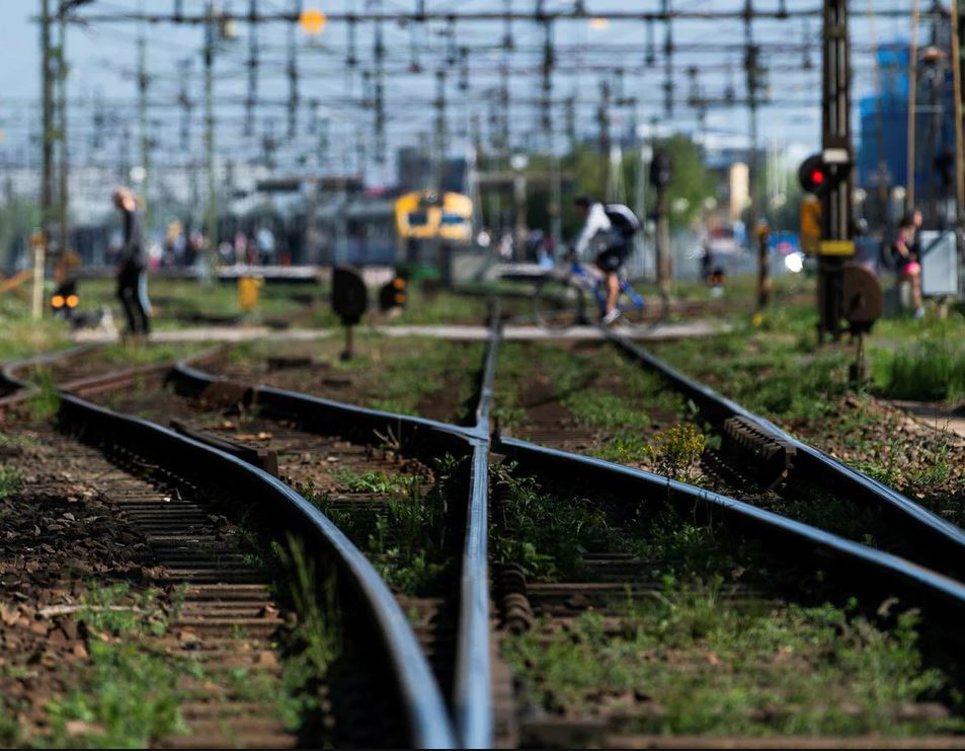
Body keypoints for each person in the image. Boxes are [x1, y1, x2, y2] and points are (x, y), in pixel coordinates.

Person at [571, 195, 633, 324]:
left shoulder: (595, 216)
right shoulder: (596, 213)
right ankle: (609, 300)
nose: (577, 213)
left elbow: (587, 234)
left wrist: (574, 251)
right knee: (597, 264)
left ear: (583, 207)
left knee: (610, 272)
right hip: (615, 245)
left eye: (578, 209)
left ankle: (611, 310)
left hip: (620, 246)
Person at [112, 187, 151, 339]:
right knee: (130, 294)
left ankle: (141, 326)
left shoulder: (133, 215)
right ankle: (137, 326)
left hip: (135, 262)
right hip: (134, 261)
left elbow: (131, 241)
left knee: (132, 294)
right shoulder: (133, 214)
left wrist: (122, 261)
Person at [893, 213, 924, 318]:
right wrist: (908, 255)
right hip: (906, 265)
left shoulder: (917, 232)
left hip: (913, 265)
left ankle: (918, 308)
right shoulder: (904, 232)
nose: (921, 218)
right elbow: (900, 245)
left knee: (916, 282)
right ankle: (918, 308)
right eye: (918, 216)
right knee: (915, 278)